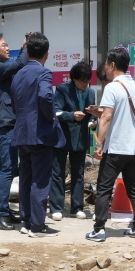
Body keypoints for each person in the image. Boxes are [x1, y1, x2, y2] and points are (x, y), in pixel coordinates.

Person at [87, 48, 135, 241]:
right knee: (133, 187)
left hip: (115, 149)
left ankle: (98, 229)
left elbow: (106, 117)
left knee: (104, 188)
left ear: (112, 65)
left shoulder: (112, 88)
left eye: (106, 64)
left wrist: (99, 143)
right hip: (134, 149)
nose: (105, 68)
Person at [9, 32, 62, 237]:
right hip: (40, 134)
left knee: (26, 178)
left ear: (27, 51)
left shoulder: (18, 74)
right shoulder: (43, 73)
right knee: (40, 180)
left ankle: (26, 221)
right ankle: (38, 225)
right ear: (46, 54)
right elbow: (45, 96)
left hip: (22, 132)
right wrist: (51, 118)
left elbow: (13, 101)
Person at [0, 32, 28, 230]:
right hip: (6, 125)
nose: (7, 48)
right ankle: (0, 213)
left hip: (12, 124)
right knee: (7, 170)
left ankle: (3, 209)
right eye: (4, 45)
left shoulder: (0, 68)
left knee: (9, 170)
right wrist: (26, 46)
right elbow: (19, 64)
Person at [51, 59, 96, 218]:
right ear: (73, 79)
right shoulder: (62, 89)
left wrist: (93, 122)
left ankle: (77, 207)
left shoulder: (91, 92)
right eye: (81, 81)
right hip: (62, 136)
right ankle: (56, 207)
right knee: (58, 172)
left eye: (87, 80)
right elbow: (55, 112)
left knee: (79, 173)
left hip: (82, 137)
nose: (84, 83)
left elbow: (93, 115)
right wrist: (71, 115)